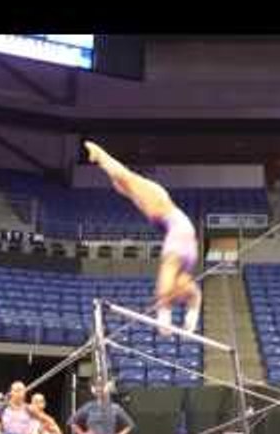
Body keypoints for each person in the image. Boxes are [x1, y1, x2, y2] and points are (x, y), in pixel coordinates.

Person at [84, 141, 202, 335]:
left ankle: (101, 156)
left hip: (173, 222)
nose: (180, 294)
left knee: (127, 181)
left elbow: (177, 292)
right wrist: (172, 317)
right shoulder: (184, 278)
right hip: (171, 219)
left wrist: (173, 316)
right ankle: (100, 155)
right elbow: (177, 293)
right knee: (127, 181)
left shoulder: (181, 272)